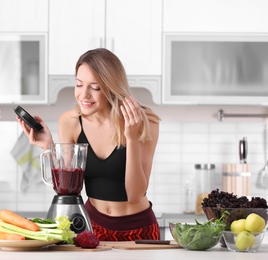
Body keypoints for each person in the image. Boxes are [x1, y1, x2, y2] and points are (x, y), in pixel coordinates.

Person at [18, 48, 161, 241]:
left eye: (95, 87)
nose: (83, 95)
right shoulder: (70, 122)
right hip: (90, 227)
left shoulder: (143, 121)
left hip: (139, 230)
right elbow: (68, 188)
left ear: (111, 87)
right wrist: (49, 147)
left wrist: (132, 138)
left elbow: (135, 195)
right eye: (78, 84)